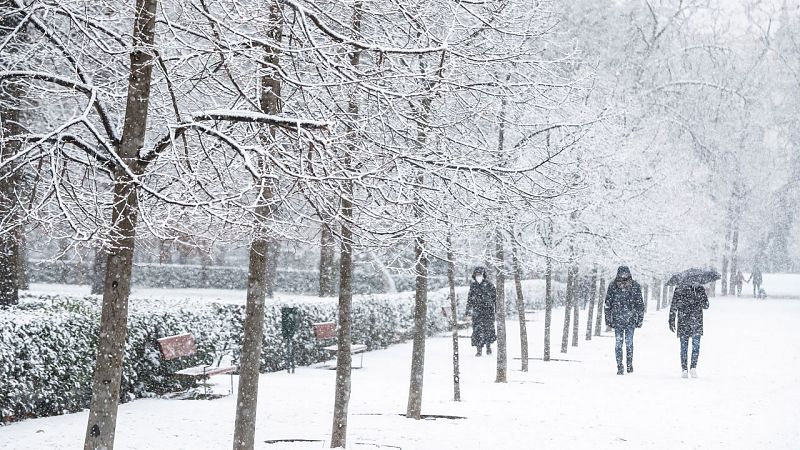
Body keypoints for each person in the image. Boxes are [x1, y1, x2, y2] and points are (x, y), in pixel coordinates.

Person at [604, 266, 645, 375]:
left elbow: (640, 304)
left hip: (629, 320)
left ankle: (628, 364)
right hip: (619, 320)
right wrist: (608, 320)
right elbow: (608, 304)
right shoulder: (613, 286)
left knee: (628, 343)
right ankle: (620, 366)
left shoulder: (635, 286)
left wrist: (640, 319)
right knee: (620, 343)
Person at [668, 282, 709, 378]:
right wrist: (671, 320)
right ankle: (684, 369)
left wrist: (698, 296)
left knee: (695, 346)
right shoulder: (679, 288)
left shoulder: (699, 289)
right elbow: (674, 305)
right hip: (684, 321)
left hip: (696, 322)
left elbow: (706, 305)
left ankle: (693, 367)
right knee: (684, 347)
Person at [466, 266, 497, 356]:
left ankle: (488, 347)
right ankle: (479, 349)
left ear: (483, 275)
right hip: (477, 313)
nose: (478, 276)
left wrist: (496, 309)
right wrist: (467, 312)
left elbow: (495, 298)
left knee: (488, 330)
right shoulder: (473, 286)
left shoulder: (489, 285)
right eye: (477, 274)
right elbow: (469, 300)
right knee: (477, 331)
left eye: (480, 274)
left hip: (488, 312)